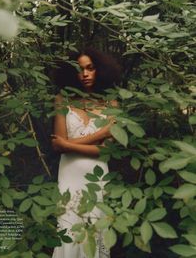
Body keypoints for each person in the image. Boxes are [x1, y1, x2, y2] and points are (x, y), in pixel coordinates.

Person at [51, 47, 121, 258]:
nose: (85, 74)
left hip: (97, 175)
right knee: (69, 227)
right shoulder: (62, 99)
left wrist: (67, 145)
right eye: (80, 69)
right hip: (69, 175)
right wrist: (103, 132)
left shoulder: (111, 103)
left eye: (90, 68)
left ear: (100, 69)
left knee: (95, 228)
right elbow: (57, 145)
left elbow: (106, 151)